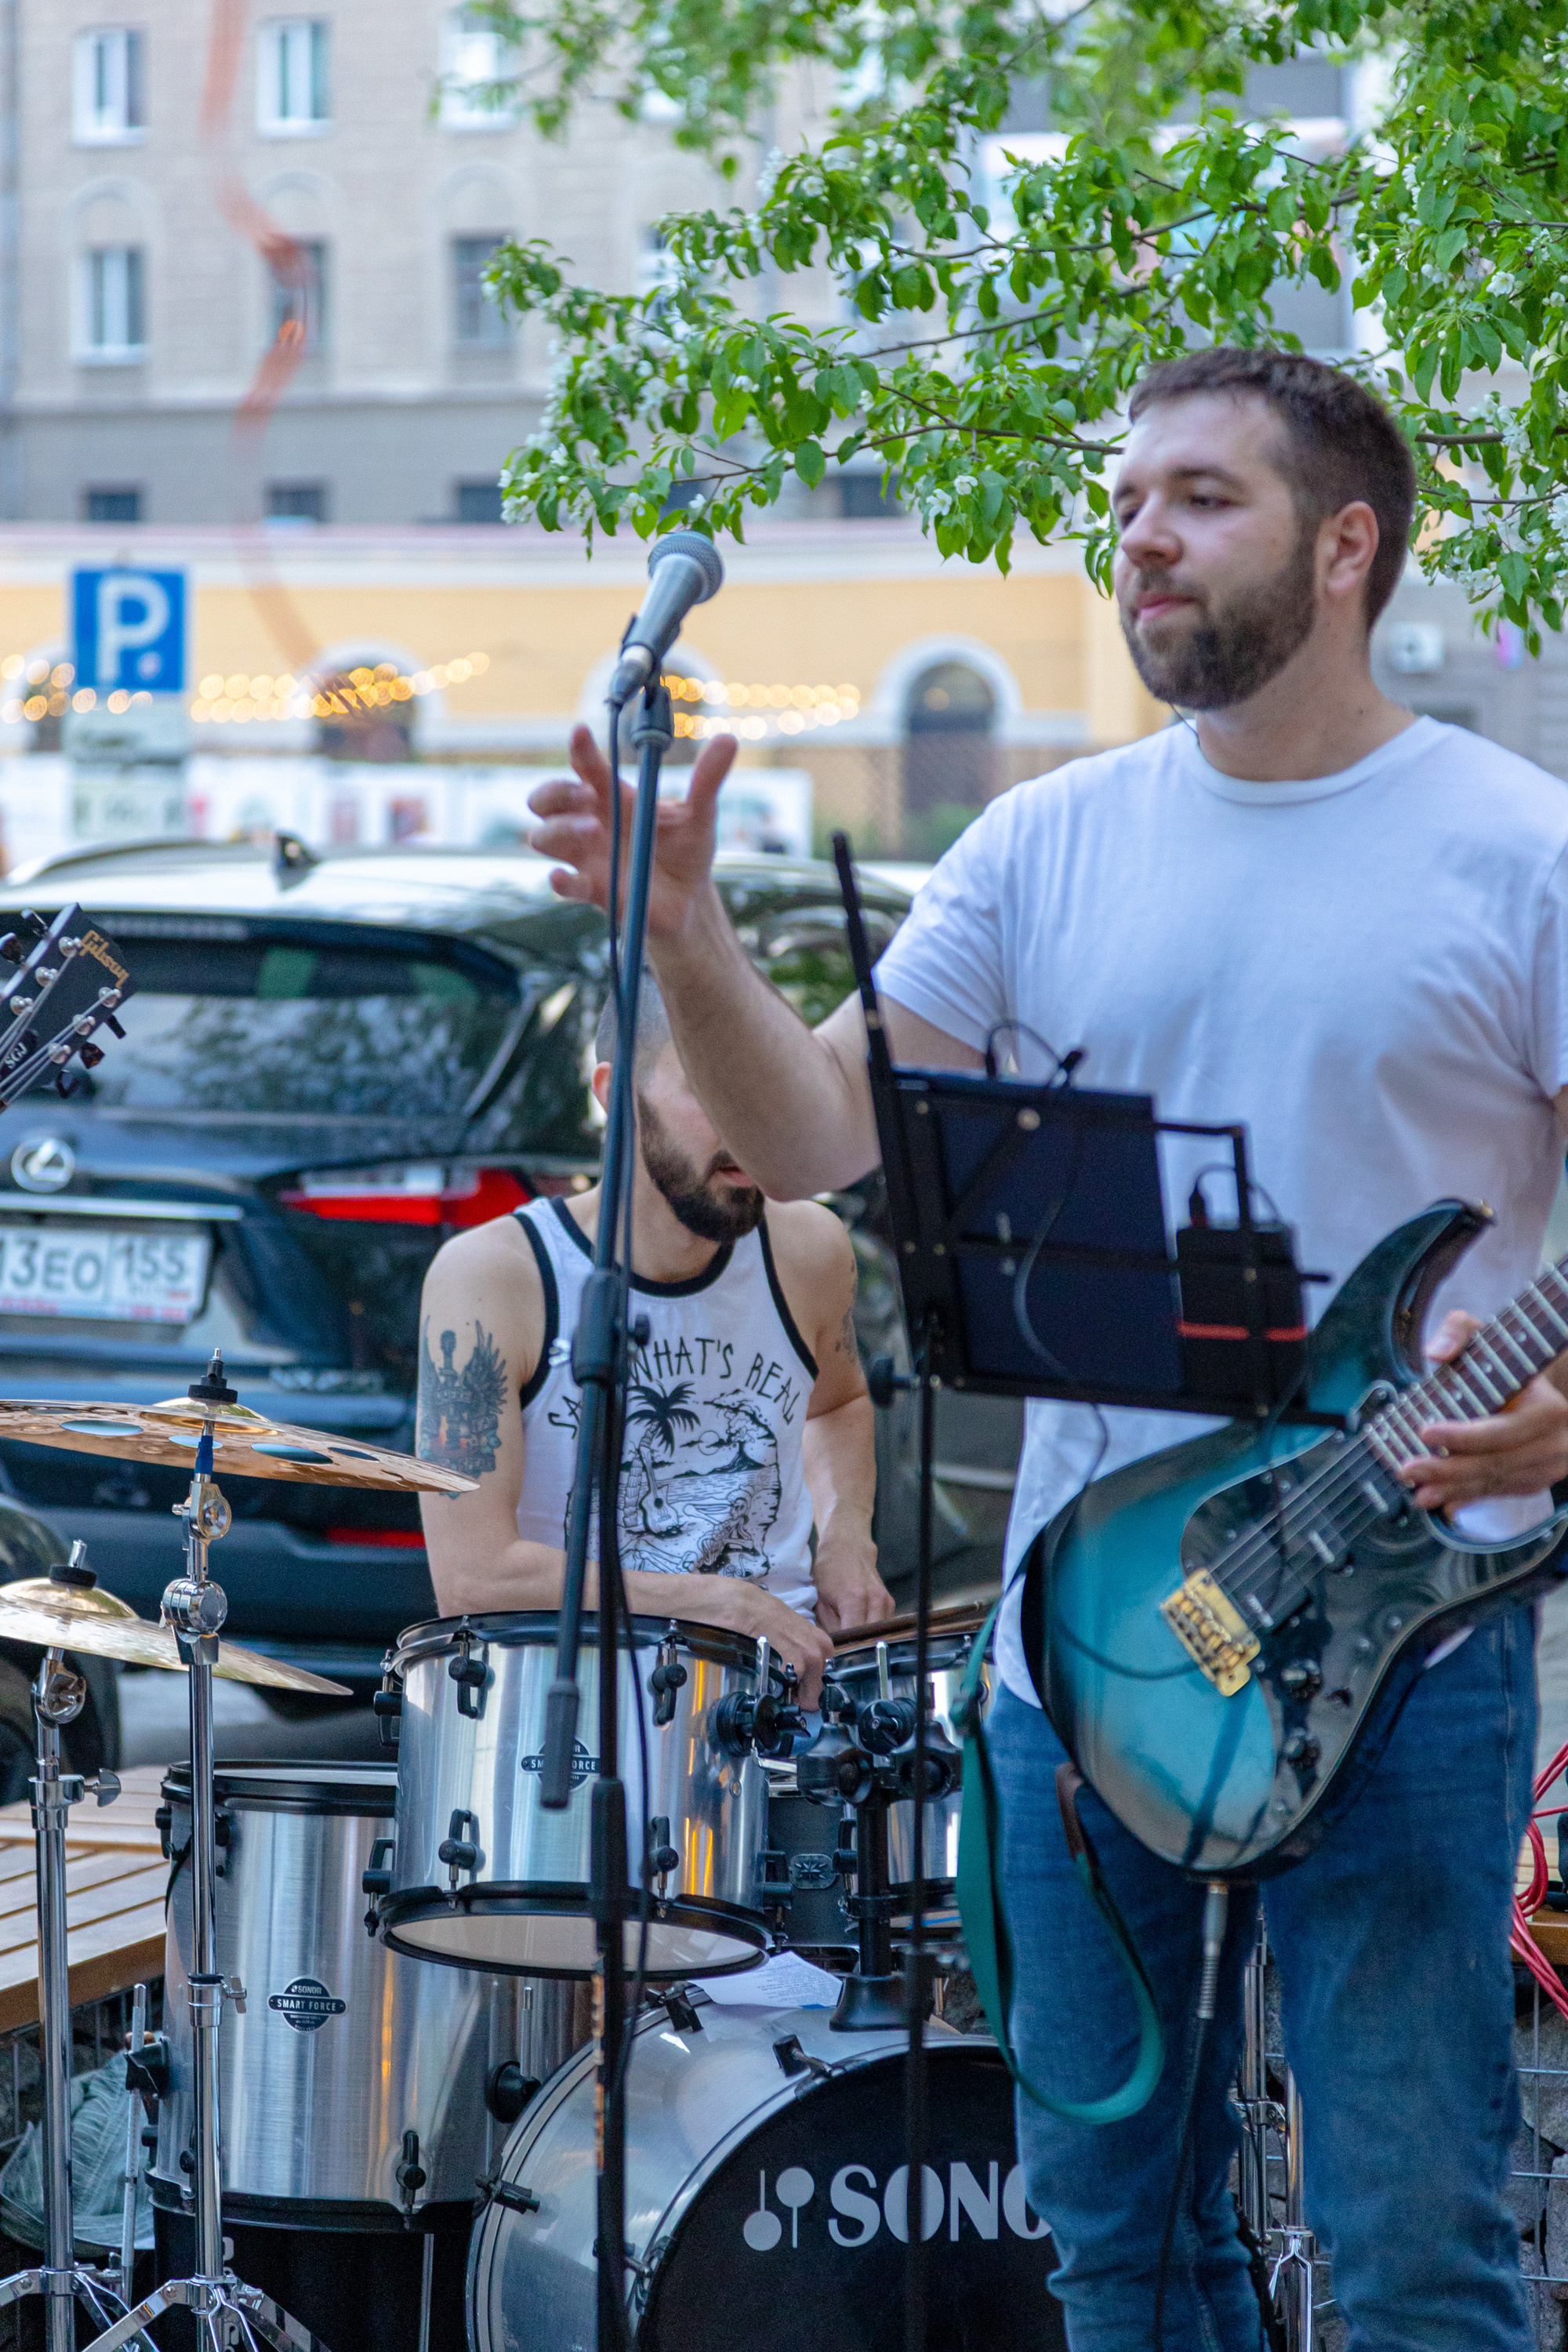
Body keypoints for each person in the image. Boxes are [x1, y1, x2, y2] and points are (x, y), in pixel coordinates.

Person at [526, 345, 1568, 2350]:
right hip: (1085, 1650)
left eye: (1199, 498)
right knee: (1114, 2249)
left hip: (1407, 1651)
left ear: (1344, 545)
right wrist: (687, 940)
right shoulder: (1039, 842)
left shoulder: (1518, 848)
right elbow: (808, 1136)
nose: (1139, 539)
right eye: (1125, 505)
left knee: (1414, 2252)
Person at [416, 972, 893, 1693]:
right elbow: (473, 1577)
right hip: (570, 1711)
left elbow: (839, 1404)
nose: (749, 1124)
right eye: (710, 1088)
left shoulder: (811, 1250)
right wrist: (719, 1606)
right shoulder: (491, 1278)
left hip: (778, 1706)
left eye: (766, 1087)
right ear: (615, 1097)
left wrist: (848, 1537)